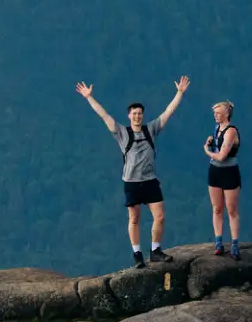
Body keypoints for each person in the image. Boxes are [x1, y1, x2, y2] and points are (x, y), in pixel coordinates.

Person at [76, 76, 190, 268]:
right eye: (134, 113)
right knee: (134, 218)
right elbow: (104, 115)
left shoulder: (150, 129)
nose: (137, 116)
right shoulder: (122, 133)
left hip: (150, 180)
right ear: (129, 115)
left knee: (160, 216)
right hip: (131, 182)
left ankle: (155, 250)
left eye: (140, 113)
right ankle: (137, 254)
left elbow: (168, 112)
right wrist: (89, 97)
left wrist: (179, 93)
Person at [203, 100, 242, 258]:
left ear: (226, 114)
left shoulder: (231, 131)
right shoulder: (217, 129)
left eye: (218, 113)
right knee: (217, 208)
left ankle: (235, 244)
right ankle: (218, 243)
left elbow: (221, 156)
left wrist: (206, 150)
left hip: (229, 172)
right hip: (215, 172)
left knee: (231, 210)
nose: (215, 115)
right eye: (214, 113)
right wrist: (211, 141)